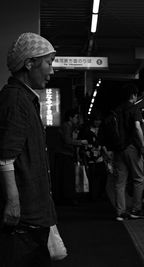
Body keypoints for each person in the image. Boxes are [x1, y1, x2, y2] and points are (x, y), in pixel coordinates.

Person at [0, 32, 57, 267]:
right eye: (49, 62)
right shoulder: (15, 100)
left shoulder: (24, 98)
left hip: (33, 214)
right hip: (25, 218)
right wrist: (13, 203)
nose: (51, 71)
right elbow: (4, 157)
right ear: (29, 63)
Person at [108, 82, 144, 221]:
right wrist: (142, 146)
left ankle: (120, 212)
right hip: (132, 147)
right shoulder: (134, 108)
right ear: (133, 95)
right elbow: (137, 127)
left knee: (120, 182)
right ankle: (136, 209)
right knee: (138, 178)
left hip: (118, 148)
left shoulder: (117, 110)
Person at [54, 108, 88, 205]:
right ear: (70, 118)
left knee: (64, 177)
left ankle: (63, 198)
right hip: (64, 154)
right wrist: (81, 142)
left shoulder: (68, 126)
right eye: (76, 117)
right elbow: (68, 141)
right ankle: (67, 198)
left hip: (63, 154)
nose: (77, 120)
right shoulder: (67, 126)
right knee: (67, 178)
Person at [78, 112, 108, 200]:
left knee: (103, 175)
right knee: (91, 177)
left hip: (99, 156)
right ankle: (92, 195)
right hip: (89, 156)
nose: (98, 122)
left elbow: (103, 142)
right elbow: (81, 141)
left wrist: (105, 153)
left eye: (99, 120)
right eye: (96, 120)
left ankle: (100, 193)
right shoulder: (86, 130)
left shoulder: (102, 130)